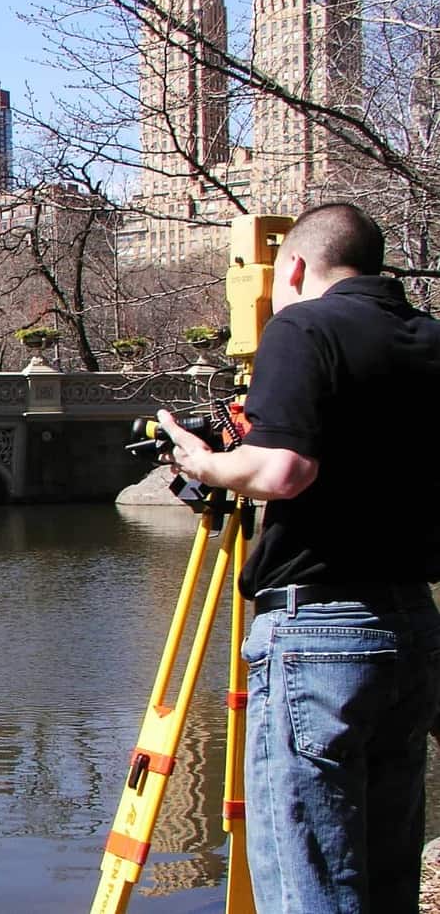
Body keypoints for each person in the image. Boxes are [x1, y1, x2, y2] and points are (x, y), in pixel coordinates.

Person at [158, 203, 440, 912]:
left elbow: (283, 471)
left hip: (321, 633)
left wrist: (208, 464)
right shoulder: (430, 339)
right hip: (412, 625)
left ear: (290, 268)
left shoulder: (304, 325)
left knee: (310, 877)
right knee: (384, 876)